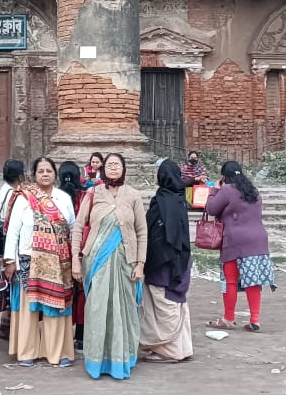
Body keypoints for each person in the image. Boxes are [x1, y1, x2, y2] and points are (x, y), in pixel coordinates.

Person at [72, 152, 148, 380]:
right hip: (96, 262)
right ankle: (97, 361)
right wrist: (75, 257)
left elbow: (142, 232)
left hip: (126, 262)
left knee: (124, 310)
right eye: (110, 164)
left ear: (124, 169)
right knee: (97, 309)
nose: (113, 167)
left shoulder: (133, 195)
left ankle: (121, 359)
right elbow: (78, 227)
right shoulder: (93, 194)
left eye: (117, 164)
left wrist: (140, 264)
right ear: (103, 169)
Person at [4, 157, 77, 368]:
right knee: (30, 307)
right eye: (41, 171)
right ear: (34, 175)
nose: (45, 174)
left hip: (59, 262)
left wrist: (75, 259)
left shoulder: (64, 198)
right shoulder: (23, 199)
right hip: (29, 259)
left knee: (56, 306)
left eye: (49, 171)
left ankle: (57, 352)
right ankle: (28, 351)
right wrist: (10, 259)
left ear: (55, 174)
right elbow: (13, 231)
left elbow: (72, 229)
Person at [205, 160, 275, 332]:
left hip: (235, 241)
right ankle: (255, 320)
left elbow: (211, 209)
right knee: (253, 281)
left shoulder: (227, 190)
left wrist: (214, 190)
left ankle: (228, 318)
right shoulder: (253, 190)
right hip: (258, 240)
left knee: (230, 281)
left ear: (224, 177)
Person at [140, 160, 194, 363]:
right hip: (180, 262)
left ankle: (169, 351)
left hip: (162, 264)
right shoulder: (180, 198)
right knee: (176, 303)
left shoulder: (162, 200)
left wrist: (145, 261)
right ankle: (183, 348)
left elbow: (154, 233)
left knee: (163, 305)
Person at [0, 159, 28, 341]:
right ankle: (9, 328)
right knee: (12, 284)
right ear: (20, 175)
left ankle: (5, 326)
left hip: (5, 241)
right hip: (10, 242)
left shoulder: (4, 189)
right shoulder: (13, 193)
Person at [58, 160, 88, 349]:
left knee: (62, 291)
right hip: (81, 249)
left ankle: (61, 335)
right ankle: (81, 336)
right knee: (82, 292)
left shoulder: (56, 196)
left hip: (59, 249)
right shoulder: (85, 196)